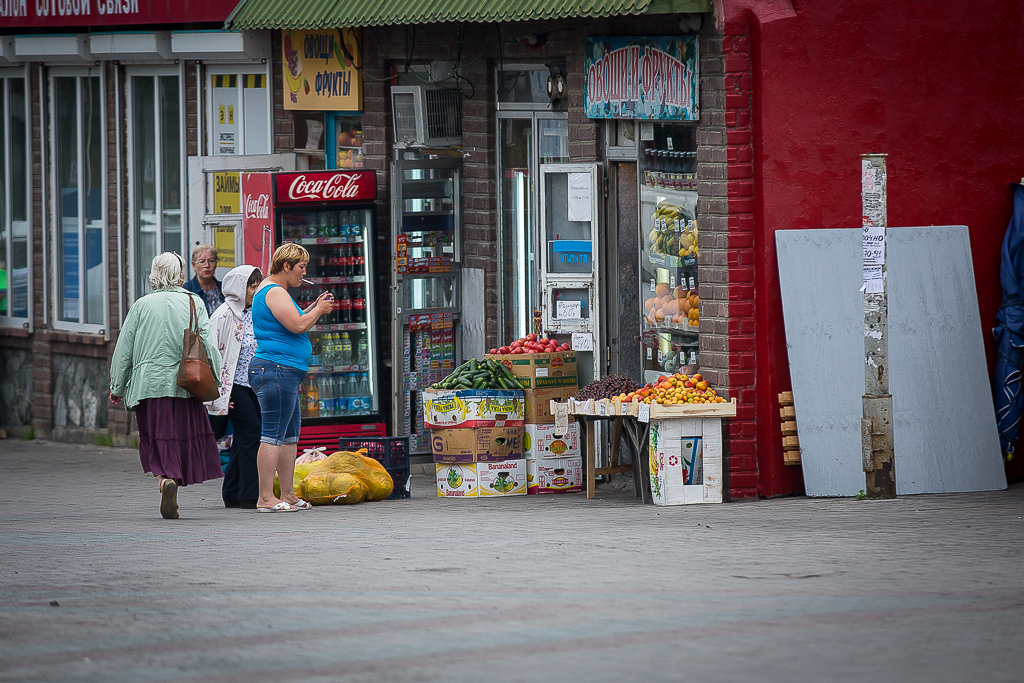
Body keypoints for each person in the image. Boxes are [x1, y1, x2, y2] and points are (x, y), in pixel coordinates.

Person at [109, 252, 224, 520]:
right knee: (181, 436)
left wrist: (117, 385)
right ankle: (173, 480)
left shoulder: (141, 305)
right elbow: (209, 344)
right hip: (186, 383)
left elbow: (124, 348)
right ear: (180, 274)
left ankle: (163, 480)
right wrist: (217, 379)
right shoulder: (193, 301)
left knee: (156, 437)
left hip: (148, 384)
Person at [250, 243, 333, 513]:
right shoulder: (274, 291)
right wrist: (318, 310)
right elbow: (298, 325)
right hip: (275, 369)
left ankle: (287, 494)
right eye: (300, 267)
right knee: (272, 434)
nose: (303, 272)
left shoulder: (278, 291)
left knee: (288, 436)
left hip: (283, 372)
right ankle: (265, 498)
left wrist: (314, 308)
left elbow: (295, 322)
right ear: (285, 266)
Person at [207, 265, 263, 509]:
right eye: (252, 285)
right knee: (252, 432)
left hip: (254, 384)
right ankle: (250, 494)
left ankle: (232, 492)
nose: (255, 289)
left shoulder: (253, 312)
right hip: (233, 386)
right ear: (238, 288)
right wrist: (219, 393)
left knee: (245, 436)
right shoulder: (223, 315)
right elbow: (212, 355)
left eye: (257, 284)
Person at [183, 244, 224, 317]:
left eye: (211, 261)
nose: (207, 265)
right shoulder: (186, 291)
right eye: (202, 262)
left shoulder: (224, 289)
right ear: (193, 265)